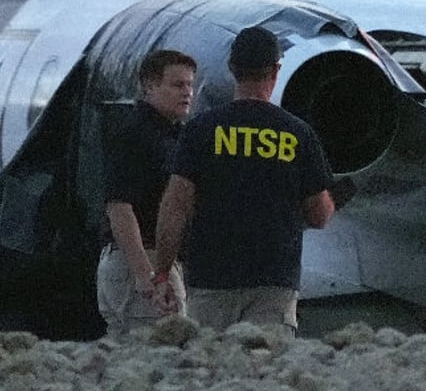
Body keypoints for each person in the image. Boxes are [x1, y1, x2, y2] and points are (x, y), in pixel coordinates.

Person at [153, 26, 335, 336]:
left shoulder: (202, 129)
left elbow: (176, 206)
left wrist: (161, 274)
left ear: (232, 68)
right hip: (273, 280)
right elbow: (319, 215)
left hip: (211, 279)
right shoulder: (297, 134)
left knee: (210, 373)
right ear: (276, 70)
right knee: (266, 375)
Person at [96, 49, 197, 337]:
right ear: (150, 86)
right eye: (178, 85)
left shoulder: (171, 136)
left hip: (150, 261)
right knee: (160, 355)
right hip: (142, 260)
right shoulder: (136, 135)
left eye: (190, 85)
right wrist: (145, 274)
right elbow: (119, 207)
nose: (187, 92)